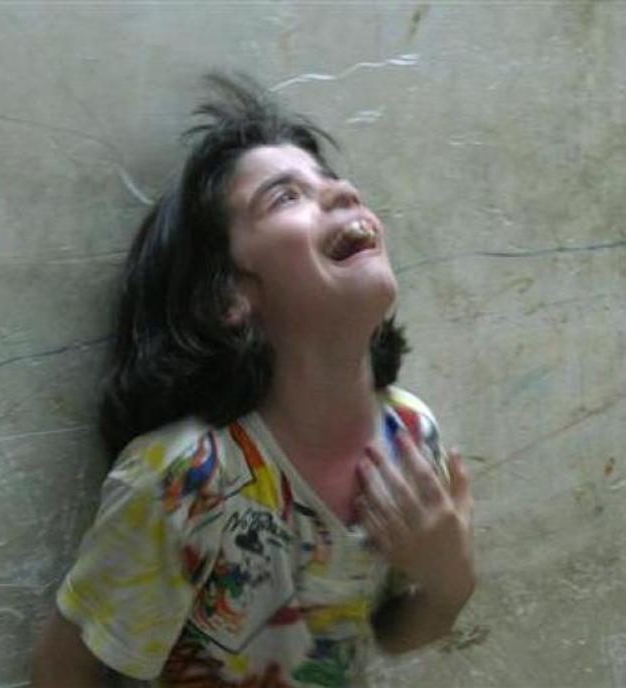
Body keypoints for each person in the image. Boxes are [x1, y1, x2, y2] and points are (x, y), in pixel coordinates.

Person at [31, 73, 475, 687]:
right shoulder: (185, 478)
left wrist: (451, 579)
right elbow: (63, 670)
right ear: (229, 296)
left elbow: (393, 632)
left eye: (331, 179)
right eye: (285, 196)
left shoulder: (410, 435)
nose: (344, 190)